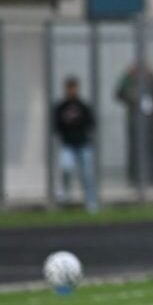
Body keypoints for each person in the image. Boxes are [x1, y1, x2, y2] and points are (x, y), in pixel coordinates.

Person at [115, 62, 153, 186]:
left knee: (152, 149)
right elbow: (118, 94)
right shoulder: (130, 82)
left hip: (150, 121)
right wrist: (126, 76)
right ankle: (134, 179)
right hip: (134, 120)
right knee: (134, 150)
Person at [53, 76, 99, 213]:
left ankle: (91, 202)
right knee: (66, 168)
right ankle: (65, 194)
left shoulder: (83, 106)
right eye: (69, 88)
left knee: (87, 175)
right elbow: (57, 125)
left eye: (74, 88)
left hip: (84, 144)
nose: (71, 91)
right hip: (68, 144)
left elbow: (91, 123)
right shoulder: (61, 107)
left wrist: (80, 128)